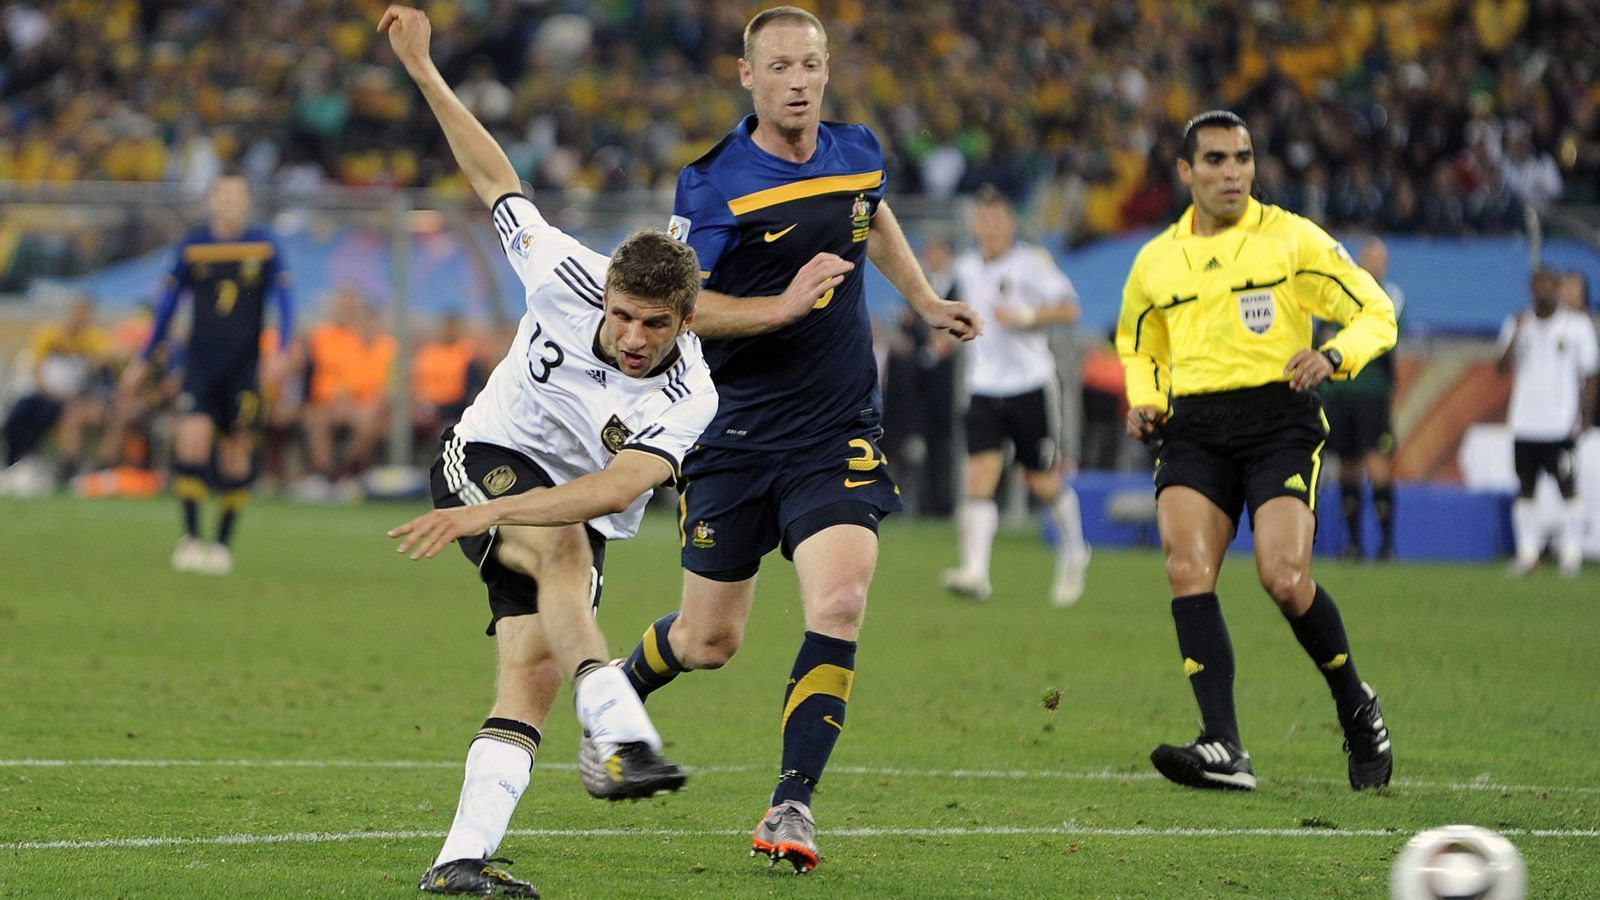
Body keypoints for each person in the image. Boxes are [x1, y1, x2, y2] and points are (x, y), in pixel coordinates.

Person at [613, 6, 981, 874]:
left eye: (811, 65)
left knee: (841, 604)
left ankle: (793, 803)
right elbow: (680, 308)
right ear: (748, 76)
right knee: (711, 641)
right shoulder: (710, 184)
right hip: (730, 434)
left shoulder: (858, 150)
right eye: (780, 67)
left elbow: (872, 214)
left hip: (837, 425)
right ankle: (618, 690)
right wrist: (780, 307)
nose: (799, 81)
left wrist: (923, 301)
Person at [376, 7, 725, 896]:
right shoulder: (562, 270)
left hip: (542, 502)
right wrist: (423, 70)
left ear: (685, 321)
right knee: (563, 556)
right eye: (622, 315)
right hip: (484, 453)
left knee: (530, 671)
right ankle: (620, 728)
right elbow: (493, 172)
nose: (633, 336)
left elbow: (614, 490)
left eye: (655, 324)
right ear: (604, 294)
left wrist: (493, 516)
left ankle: (458, 863)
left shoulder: (691, 394)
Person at [1116, 110, 1397, 793]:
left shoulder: (1292, 240)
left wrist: (1334, 354)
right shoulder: (1156, 260)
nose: (1232, 172)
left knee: (1283, 577)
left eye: (1242, 158)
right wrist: (1147, 398)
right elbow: (1140, 344)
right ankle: (1225, 745)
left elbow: (1376, 312)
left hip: (1279, 422)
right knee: (1186, 566)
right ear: (1186, 172)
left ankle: (1355, 703)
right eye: (1214, 160)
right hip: (1195, 429)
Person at [121, 172, 294, 575]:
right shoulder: (193, 246)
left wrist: (282, 351)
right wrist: (145, 358)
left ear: (247, 201)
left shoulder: (265, 246)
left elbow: (286, 302)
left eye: (238, 195)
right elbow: (165, 307)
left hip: (244, 366)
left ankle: (221, 544)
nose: (231, 202)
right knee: (192, 441)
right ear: (212, 201)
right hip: (199, 363)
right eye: (224, 195)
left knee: (235, 453)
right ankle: (192, 537)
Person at [940, 185, 1089, 606]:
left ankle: (1076, 550)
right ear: (975, 224)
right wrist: (946, 338)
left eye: (996, 220)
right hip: (984, 386)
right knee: (979, 476)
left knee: (1040, 480)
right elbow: (953, 314)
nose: (988, 228)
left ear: (1010, 223)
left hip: (1029, 385)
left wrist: (1026, 316)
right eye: (982, 221)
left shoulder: (1032, 263)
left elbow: (1070, 309)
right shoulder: (966, 268)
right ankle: (976, 573)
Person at [1497, 267, 1598, 578]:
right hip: (1525, 422)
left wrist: (1585, 415)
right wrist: (1516, 332)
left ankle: (1571, 553)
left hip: (1560, 424)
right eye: (1537, 286)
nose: (1543, 292)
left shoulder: (1577, 326)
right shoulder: (1518, 323)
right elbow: (1501, 367)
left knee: (1567, 487)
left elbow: (1591, 373)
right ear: (1530, 289)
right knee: (1525, 489)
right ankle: (1528, 553)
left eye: (1549, 286)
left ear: (1557, 289)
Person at [1318, 237, 1403, 560]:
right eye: (1370, 257)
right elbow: (1321, 338)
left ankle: (1386, 544)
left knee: (1377, 463)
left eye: (1380, 259)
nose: (1375, 264)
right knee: (1347, 466)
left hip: (1372, 394)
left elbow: (1384, 336)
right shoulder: (1336, 293)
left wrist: (1343, 337)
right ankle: (1353, 543)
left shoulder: (1390, 296)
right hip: (1339, 393)